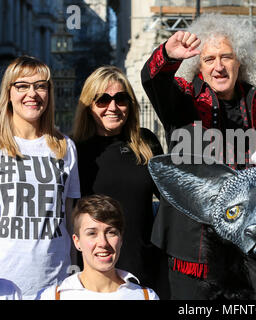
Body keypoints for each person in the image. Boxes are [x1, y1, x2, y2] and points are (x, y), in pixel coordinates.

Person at [141, 13, 256, 299]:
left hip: (247, 247)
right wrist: (167, 54)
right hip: (192, 250)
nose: (219, 66)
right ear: (198, 65)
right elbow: (152, 78)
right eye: (209, 59)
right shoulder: (183, 100)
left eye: (226, 57)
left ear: (241, 61)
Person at [72, 66, 166, 297]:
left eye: (121, 99)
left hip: (143, 271)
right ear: (88, 105)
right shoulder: (74, 150)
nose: (112, 107)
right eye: (102, 100)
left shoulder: (146, 143)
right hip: (91, 276)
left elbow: (168, 202)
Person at [0, 56, 80, 299]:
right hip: (5, 282)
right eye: (22, 85)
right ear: (9, 92)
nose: (32, 93)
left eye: (41, 86)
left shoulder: (65, 147)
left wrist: (75, 276)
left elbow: (71, 220)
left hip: (54, 281)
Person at [37, 194, 159, 300]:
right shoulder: (53, 296)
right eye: (92, 233)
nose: (103, 243)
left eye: (111, 232)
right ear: (77, 241)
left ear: (121, 238)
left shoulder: (145, 296)